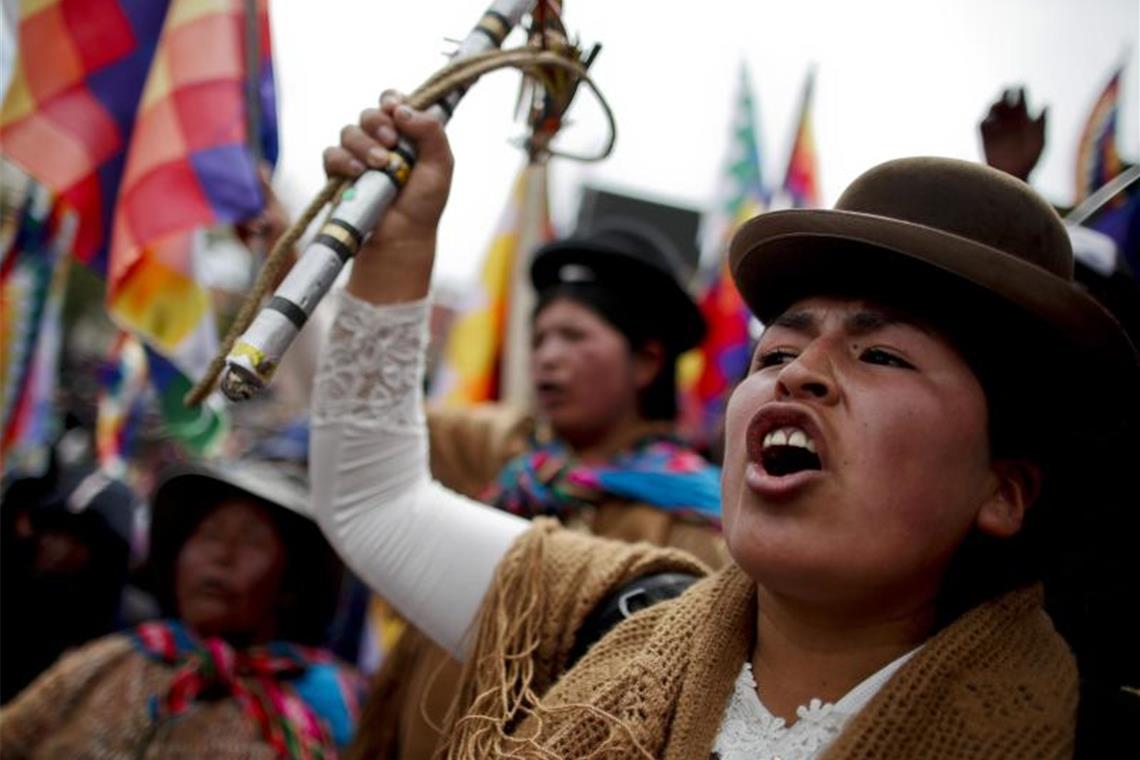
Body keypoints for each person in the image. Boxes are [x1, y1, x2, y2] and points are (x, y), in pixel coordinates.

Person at [311, 97, 1138, 758]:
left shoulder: (1073, 732)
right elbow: (374, 501)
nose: (802, 370)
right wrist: (399, 244)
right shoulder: (601, 616)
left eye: (881, 356)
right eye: (778, 348)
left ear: (1003, 491)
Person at [345, 158, 724, 759]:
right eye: (541, 337)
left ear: (648, 361)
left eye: (574, 337)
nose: (547, 357)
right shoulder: (499, 452)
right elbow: (360, 421)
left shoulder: (699, 525)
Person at [0, 459, 366, 758]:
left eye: (251, 541)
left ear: (291, 583)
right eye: (209, 535)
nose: (221, 556)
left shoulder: (327, 702)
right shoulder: (111, 662)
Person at [0, 463, 142, 703]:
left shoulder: (106, 639)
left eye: (73, 537)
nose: (52, 543)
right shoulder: (15, 581)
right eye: (51, 529)